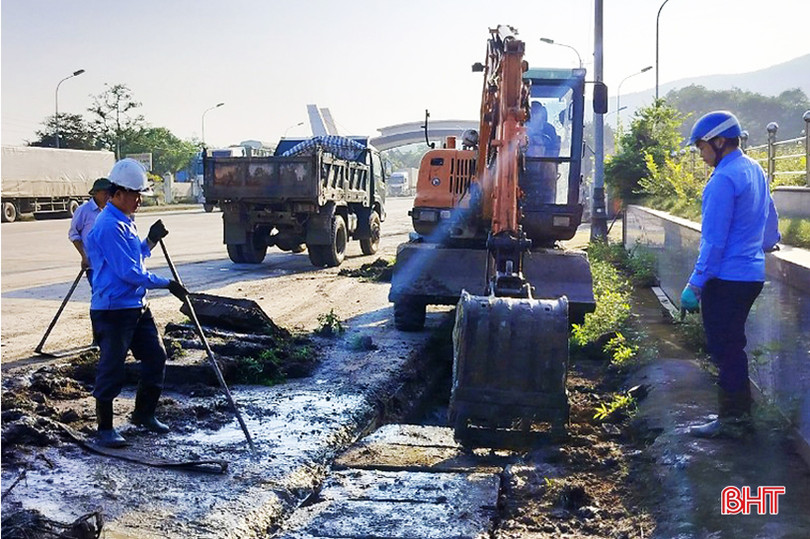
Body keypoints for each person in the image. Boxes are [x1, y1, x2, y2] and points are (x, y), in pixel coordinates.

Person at [681, 111, 781, 439]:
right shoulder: (753, 169)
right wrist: (766, 245)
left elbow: (714, 240)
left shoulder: (723, 180)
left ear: (719, 142)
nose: (702, 155)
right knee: (733, 345)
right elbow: (769, 222)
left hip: (726, 279)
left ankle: (732, 422)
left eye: (702, 148)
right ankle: (739, 418)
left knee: (726, 349)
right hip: (750, 275)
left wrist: (695, 284)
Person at [84, 158, 189, 447]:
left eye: (141, 194)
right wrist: (166, 283)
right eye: (135, 194)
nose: (139, 200)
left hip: (136, 307)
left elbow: (135, 260)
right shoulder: (108, 226)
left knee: (155, 357)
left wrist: (150, 242)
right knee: (112, 367)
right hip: (113, 310)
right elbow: (129, 273)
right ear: (116, 194)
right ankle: (105, 428)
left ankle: (143, 414)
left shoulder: (125, 222)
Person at [68, 177, 111, 288]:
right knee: (100, 294)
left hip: (111, 264)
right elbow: (74, 234)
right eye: (105, 193)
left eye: (110, 193)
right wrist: (84, 256)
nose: (108, 196)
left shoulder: (110, 210)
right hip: (93, 265)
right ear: (96, 193)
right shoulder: (84, 210)